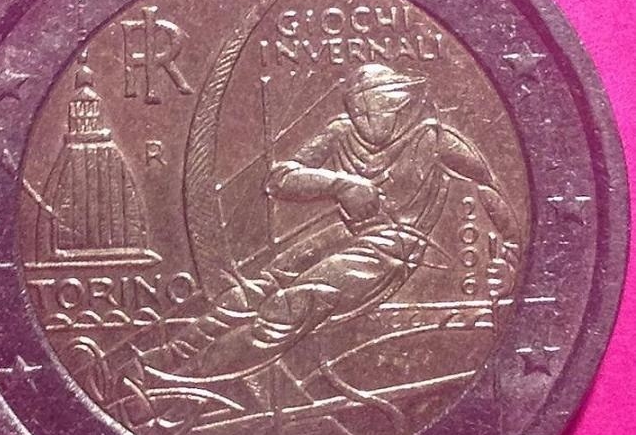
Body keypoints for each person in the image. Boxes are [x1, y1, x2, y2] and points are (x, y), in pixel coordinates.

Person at [156, 63, 521, 383]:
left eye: (371, 112)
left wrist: (511, 253)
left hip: (395, 247)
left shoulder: (434, 138)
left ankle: (186, 379)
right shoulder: (341, 131)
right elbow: (279, 179)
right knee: (256, 289)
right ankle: (166, 359)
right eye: (356, 112)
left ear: (396, 105)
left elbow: (488, 185)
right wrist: (338, 183)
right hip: (349, 234)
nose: (362, 121)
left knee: (292, 303)